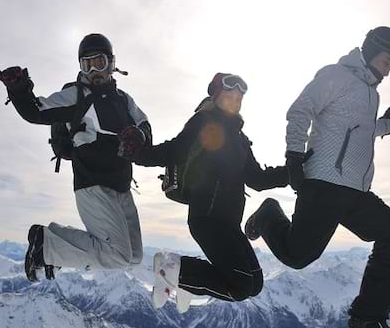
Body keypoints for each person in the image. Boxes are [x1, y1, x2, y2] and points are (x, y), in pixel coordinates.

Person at [244, 27, 390, 328]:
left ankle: (368, 316)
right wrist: (294, 156)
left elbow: (358, 132)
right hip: (322, 184)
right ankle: (268, 215)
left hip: (355, 191)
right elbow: (299, 110)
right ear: (371, 49)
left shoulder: (371, 93)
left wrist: (386, 125)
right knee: (297, 257)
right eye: (387, 60)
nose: (389, 68)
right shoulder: (335, 76)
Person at [123, 73, 288, 313]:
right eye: (228, 96)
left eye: (238, 98)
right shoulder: (204, 122)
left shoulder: (240, 139)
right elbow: (174, 151)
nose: (233, 102)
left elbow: (258, 180)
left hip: (229, 223)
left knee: (254, 284)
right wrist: (139, 154)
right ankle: (171, 268)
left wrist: (293, 172)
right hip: (208, 219)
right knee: (240, 287)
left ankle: (187, 281)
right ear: (216, 96)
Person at [0, 33, 152, 282]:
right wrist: (18, 88)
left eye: (98, 62)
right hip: (93, 183)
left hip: (121, 185)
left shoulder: (124, 100)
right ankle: (47, 248)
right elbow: (35, 111)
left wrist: (139, 137)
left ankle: (50, 239)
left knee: (134, 257)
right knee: (118, 256)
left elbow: (145, 125)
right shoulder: (76, 96)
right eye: (86, 64)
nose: (93, 70)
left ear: (111, 63)